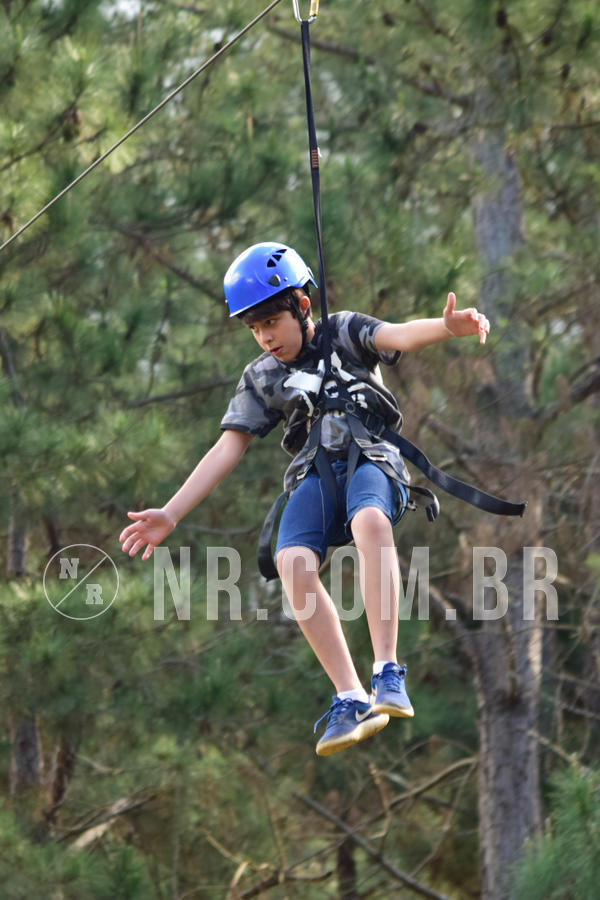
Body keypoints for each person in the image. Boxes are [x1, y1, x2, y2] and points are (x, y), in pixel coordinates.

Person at [119, 242, 490, 757]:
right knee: (291, 560)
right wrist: (172, 512)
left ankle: (387, 671)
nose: (266, 336)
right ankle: (350, 696)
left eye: (272, 320)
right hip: (314, 473)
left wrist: (447, 328)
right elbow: (227, 447)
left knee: (369, 522)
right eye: (254, 327)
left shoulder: (344, 332)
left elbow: (396, 334)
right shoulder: (261, 377)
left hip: (372, 459)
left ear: (302, 306)